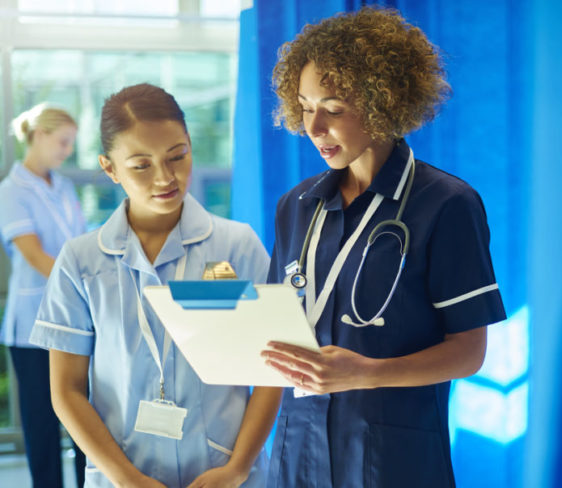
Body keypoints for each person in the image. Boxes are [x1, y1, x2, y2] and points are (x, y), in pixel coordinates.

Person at [261, 7, 507, 487]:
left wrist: (365, 373)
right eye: (306, 107)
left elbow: (468, 353)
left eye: (332, 109)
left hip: (392, 459)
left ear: (383, 103)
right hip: (296, 451)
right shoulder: (297, 205)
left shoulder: (447, 204)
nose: (313, 127)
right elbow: (282, 323)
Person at [29, 83, 282, 488]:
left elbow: (271, 369)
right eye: (141, 165)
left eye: (177, 156)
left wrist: (236, 469)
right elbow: (67, 390)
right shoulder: (81, 261)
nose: (166, 177)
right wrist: (127, 479)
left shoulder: (235, 246)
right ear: (110, 168)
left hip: (224, 473)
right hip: (122, 474)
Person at [0, 103, 86, 488]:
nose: (67, 151)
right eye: (63, 141)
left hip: (76, 317)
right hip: (32, 320)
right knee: (41, 423)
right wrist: (83, 283)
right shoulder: (10, 191)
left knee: (84, 417)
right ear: (38, 136)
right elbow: (34, 254)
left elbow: (80, 245)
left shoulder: (64, 186)